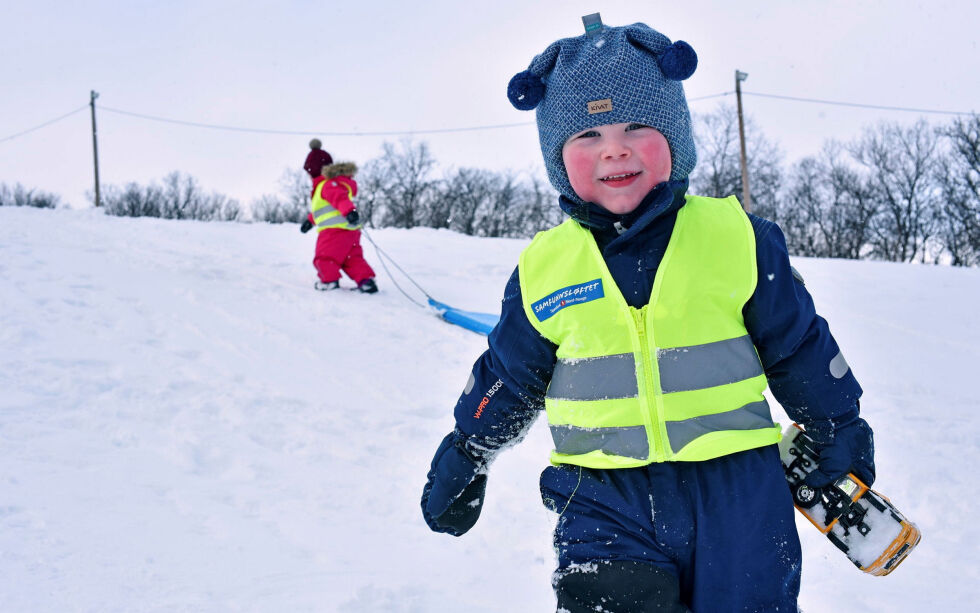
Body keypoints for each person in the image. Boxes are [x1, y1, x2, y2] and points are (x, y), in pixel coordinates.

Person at [419, 19, 875, 613]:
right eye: (587, 134)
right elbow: (509, 374)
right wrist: (468, 448)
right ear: (559, 157)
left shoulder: (735, 238)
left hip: (737, 490)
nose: (614, 147)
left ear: (675, 139)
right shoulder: (545, 266)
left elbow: (798, 346)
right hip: (603, 495)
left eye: (637, 126)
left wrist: (838, 425)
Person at [300, 161, 378, 293]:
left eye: (310, 173)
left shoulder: (328, 184)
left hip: (334, 232)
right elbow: (327, 208)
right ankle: (366, 282)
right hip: (350, 232)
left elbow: (339, 199)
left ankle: (329, 281)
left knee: (325, 257)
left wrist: (349, 211)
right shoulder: (336, 185)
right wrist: (310, 221)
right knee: (352, 259)